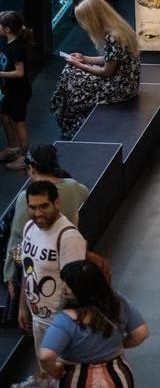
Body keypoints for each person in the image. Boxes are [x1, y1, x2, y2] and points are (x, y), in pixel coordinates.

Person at [17, 181, 87, 388]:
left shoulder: (69, 237)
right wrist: (23, 305)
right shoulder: (29, 227)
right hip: (38, 317)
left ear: (57, 203)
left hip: (59, 323)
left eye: (44, 206)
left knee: (64, 375)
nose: (38, 213)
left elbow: (76, 287)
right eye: (33, 207)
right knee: (46, 369)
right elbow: (27, 268)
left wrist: (65, 326)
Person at [37, 259, 148, 385]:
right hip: (117, 376)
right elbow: (141, 333)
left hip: (78, 379)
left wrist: (55, 371)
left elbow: (45, 356)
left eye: (67, 285)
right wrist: (118, 345)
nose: (63, 287)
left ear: (80, 289)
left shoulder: (65, 320)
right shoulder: (118, 303)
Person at [49, 0, 140, 139]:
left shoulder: (112, 37)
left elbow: (107, 71)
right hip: (126, 83)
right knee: (70, 74)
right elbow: (111, 59)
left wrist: (79, 64)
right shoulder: (119, 29)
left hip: (120, 88)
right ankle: (69, 120)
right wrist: (84, 59)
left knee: (69, 77)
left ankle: (69, 124)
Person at [4, 146, 89, 287]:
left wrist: (9, 274)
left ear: (31, 169)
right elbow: (85, 192)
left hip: (38, 263)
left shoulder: (25, 199)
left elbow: (16, 238)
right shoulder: (72, 187)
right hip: (67, 256)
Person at [0, 11, 33, 165]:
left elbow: (20, 73)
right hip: (11, 90)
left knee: (19, 121)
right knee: (5, 116)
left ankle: (24, 157)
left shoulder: (16, 47)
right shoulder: (8, 43)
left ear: (7, 29)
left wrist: (1, 73)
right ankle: (13, 148)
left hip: (19, 91)